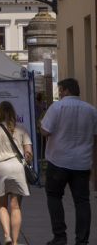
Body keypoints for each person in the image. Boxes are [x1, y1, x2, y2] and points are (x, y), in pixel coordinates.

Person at [40, 78, 97, 245]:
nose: (59, 93)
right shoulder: (91, 110)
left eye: (60, 90)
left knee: (54, 196)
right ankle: (82, 240)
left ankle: (60, 236)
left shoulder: (57, 107)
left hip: (58, 160)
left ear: (65, 90)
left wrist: (40, 125)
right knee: (82, 201)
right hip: (82, 163)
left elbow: (45, 131)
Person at [0, 101, 33, 245]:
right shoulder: (22, 130)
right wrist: (27, 162)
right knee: (16, 206)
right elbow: (29, 153)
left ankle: (6, 235)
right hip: (18, 168)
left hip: (2, 168)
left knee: (2, 205)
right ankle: (16, 242)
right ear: (13, 113)